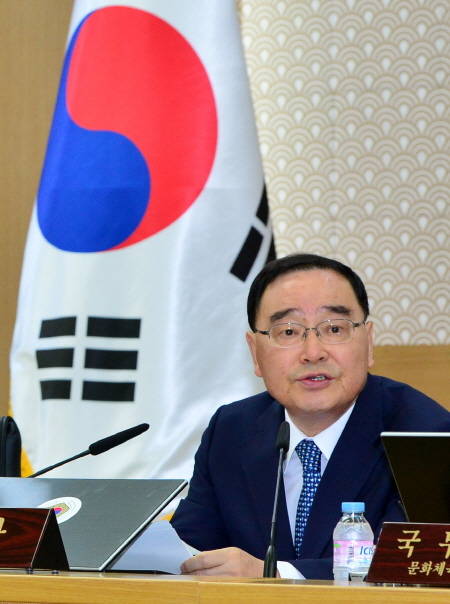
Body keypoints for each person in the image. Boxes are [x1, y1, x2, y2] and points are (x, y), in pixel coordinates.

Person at [171, 253, 450, 579]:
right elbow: (187, 550)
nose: (313, 352)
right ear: (255, 353)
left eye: (334, 328)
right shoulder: (231, 431)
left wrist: (275, 574)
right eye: (288, 332)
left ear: (369, 342)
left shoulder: (424, 435)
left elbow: (417, 564)